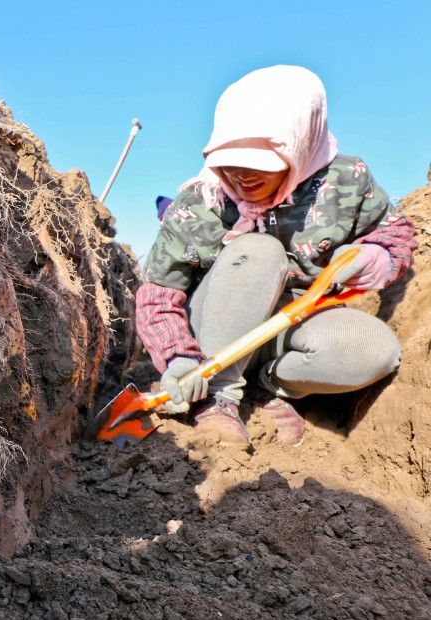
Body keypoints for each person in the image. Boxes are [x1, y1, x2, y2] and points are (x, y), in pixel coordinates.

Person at [136, 65, 416, 446]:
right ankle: (218, 398)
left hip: (291, 325)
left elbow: (395, 232)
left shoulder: (346, 182)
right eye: (230, 162)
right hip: (213, 332)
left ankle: (269, 387)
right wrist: (177, 358)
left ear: (301, 144)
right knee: (258, 252)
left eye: (259, 162)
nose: (241, 176)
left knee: (374, 352)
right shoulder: (201, 202)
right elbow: (158, 293)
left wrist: (379, 255)